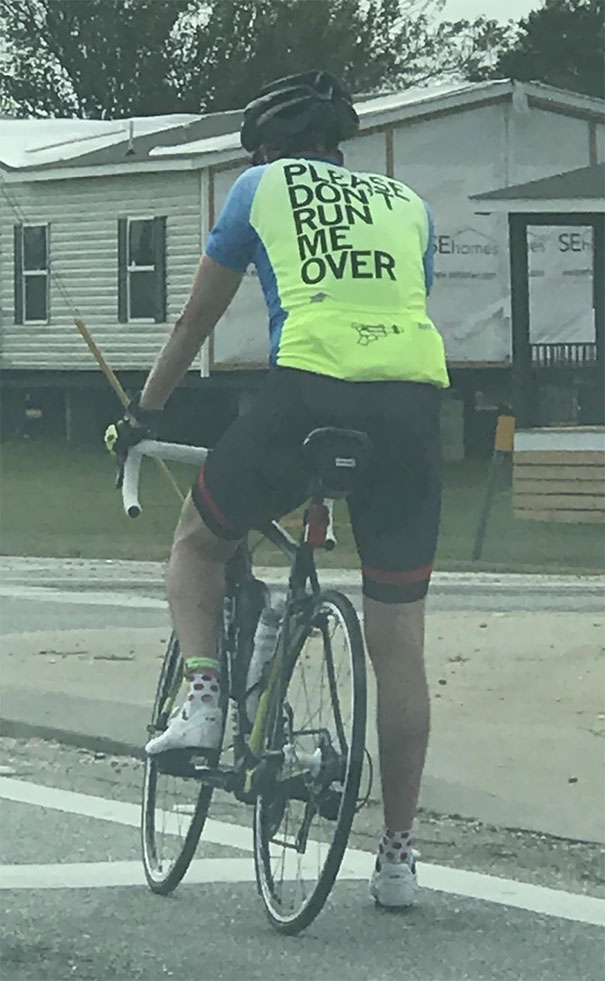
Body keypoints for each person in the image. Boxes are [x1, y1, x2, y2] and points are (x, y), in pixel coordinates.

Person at [108, 70, 449, 909]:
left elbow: (195, 320)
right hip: (413, 409)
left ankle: (202, 700)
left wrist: (142, 413)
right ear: (338, 148)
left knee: (196, 543)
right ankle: (397, 857)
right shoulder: (407, 203)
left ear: (264, 149)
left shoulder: (258, 187)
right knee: (399, 644)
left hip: (306, 391)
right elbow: (394, 308)